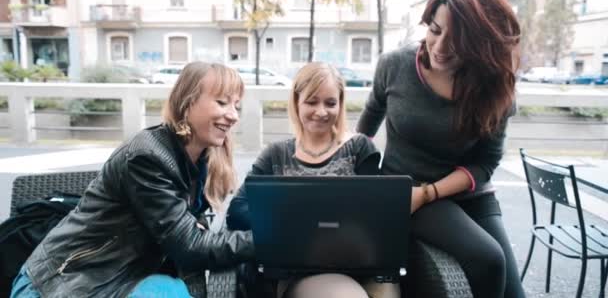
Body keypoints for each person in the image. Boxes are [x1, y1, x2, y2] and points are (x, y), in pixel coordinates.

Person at [11, 62, 255, 297]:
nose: (233, 116)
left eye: (236, 105)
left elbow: (190, 244)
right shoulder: (148, 157)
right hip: (65, 285)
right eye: (222, 102)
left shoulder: (198, 163)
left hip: (124, 280)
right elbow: (190, 246)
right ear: (187, 102)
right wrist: (268, 242)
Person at [356, 0, 526, 298]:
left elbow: (485, 163)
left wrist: (430, 192)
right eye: (435, 30)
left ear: (481, 44)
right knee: (489, 260)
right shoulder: (395, 66)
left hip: (468, 192)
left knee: (513, 292)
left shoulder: (495, 87)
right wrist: (365, 191)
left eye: (459, 40)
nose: (441, 47)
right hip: (408, 190)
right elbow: (363, 133)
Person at [227, 62, 400, 298]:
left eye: (330, 103)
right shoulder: (276, 154)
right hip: (300, 270)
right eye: (311, 101)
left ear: (340, 104)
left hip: (363, 263)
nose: (321, 111)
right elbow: (237, 210)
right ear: (296, 102)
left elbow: (376, 212)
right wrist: (290, 221)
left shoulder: (359, 148)